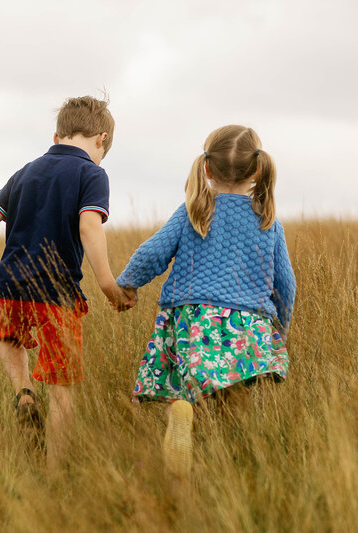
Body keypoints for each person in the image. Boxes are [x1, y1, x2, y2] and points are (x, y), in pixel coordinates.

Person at [0, 95, 134, 468]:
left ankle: (23, 392)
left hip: (9, 287)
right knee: (62, 392)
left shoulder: (26, 171)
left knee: (9, 343)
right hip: (58, 295)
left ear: (57, 135)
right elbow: (89, 226)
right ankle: (54, 476)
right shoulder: (92, 174)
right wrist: (107, 284)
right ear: (101, 139)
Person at [116, 125, 296, 477]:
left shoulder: (193, 210)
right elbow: (285, 284)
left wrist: (128, 284)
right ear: (258, 170)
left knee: (180, 388)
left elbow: (153, 253)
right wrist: (280, 329)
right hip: (247, 324)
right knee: (236, 393)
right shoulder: (268, 221)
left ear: (207, 169)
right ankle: (228, 465)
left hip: (191, 319)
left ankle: (182, 417)